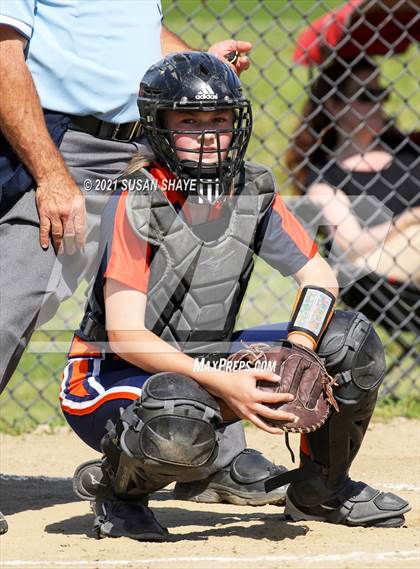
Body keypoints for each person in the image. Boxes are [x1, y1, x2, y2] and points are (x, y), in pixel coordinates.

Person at [63, 52, 410, 541]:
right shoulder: (135, 197)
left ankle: (320, 490)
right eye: (189, 120)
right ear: (157, 124)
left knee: (348, 340)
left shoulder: (250, 188)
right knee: (177, 411)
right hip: (111, 377)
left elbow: (320, 278)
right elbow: (125, 337)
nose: (208, 135)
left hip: (204, 361)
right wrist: (227, 384)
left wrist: (301, 351)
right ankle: (118, 491)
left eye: (219, 120)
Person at [0, 0, 251, 533]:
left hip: (143, 141)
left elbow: (137, 34)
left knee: (188, 286)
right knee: (12, 298)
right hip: (67, 145)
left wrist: (196, 64)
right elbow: (4, 57)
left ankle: (212, 456)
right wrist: (51, 175)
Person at [286, 57, 420, 310]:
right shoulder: (326, 176)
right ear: (334, 106)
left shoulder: (408, 151)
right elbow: (350, 245)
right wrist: (409, 220)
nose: (378, 103)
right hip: (377, 278)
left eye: (381, 93)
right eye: (366, 96)